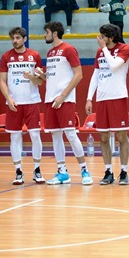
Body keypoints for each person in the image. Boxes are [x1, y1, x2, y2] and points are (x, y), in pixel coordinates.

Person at [37, 22, 92, 186]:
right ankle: (62, 172)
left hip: (64, 99)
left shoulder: (69, 49)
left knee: (70, 134)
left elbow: (78, 74)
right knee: (55, 135)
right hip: (50, 99)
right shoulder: (50, 52)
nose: (44, 35)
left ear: (54, 33)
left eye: (46, 32)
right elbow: (53, 77)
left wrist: (62, 95)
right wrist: (41, 75)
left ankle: (84, 170)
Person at [86, 24, 129, 185]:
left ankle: (124, 171)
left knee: (121, 136)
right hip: (102, 99)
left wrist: (104, 49)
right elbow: (95, 75)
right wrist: (89, 98)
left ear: (111, 37)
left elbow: (113, 66)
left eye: (102, 36)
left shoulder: (125, 49)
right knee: (104, 137)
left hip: (118, 97)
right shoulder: (100, 52)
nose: (99, 39)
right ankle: (108, 171)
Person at [0, 27, 45, 185]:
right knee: (15, 136)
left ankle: (37, 169)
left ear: (24, 39)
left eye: (18, 37)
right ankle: (18, 171)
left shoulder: (35, 55)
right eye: (12, 38)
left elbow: (40, 81)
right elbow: (2, 81)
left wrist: (32, 76)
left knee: (35, 135)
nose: (15, 41)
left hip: (32, 101)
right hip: (14, 103)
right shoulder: (6, 57)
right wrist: (8, 98)